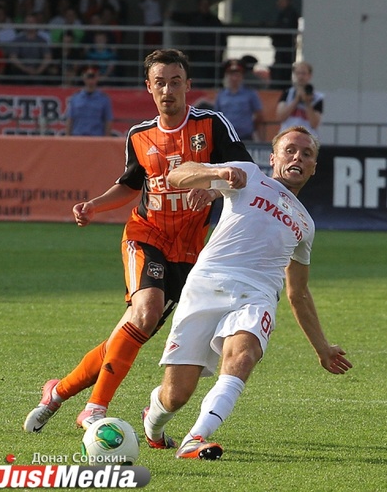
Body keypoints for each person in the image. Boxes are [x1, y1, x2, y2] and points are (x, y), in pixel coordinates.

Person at [23, 48, 254, 433]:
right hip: (146, 235)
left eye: (175, 82)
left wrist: (214, 189)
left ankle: (57, 392)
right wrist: (94, 206)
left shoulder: (212, 124)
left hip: (190, 254)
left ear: (188, 85)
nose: (168, 90)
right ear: (149, 87)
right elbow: (131, 184)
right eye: (160, 82)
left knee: (130, 332)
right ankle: (95, 408)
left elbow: (244, 169)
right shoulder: (140, 135)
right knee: (145, 313)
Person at [142, 126, 353, 459]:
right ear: (273, 158)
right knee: (176, 395)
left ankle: (195, 437)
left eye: (307, 154)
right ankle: (153, 424)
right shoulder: (249, 174)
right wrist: (217, 174)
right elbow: (177, 175)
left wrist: (322, 348)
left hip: (257, 296)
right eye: (290, 150)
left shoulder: (306, 224)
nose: (297, 157)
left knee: (243, 357)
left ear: (313, 167)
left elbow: (298, 293)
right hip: (207, 284)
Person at [215, 58, 264, 142]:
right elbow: (217, 116)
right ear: (227, 76)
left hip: (245, 137)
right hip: (226, 137)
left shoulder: (250, 93)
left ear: (242, 76)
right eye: (231, 75)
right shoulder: (221, 95)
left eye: (237, 75)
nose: (234, 78)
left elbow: (259, 115)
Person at [275, 60, 323, 138]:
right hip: (287, 136)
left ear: (309, 76)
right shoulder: (287, 93)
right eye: (298, 73)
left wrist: (307, 102)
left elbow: (314, 124)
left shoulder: (317, 97)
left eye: (303, 73)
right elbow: (280, 117)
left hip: (307, 137)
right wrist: (296, 100)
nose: (300, 77)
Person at [64, 66, 113, 136]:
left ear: (97, 78)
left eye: (93, 77)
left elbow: (108, 120)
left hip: (96, 137)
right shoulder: (75, 98)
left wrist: (107, 139)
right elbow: (70, 119)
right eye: (88, 77)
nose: (90, 81)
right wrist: (67, 137)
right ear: (84, 78)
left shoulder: (104, 99)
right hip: (78, 137)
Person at [270, 0, 300, 87]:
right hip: (281, 47)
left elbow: (285, 29)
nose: (279, 3)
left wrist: (275, 33)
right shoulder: (282, 14)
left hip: (286, 47)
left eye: (281, 1)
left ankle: (283, 87)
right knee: (280, 70)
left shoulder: (290, 14)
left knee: (284, 71)